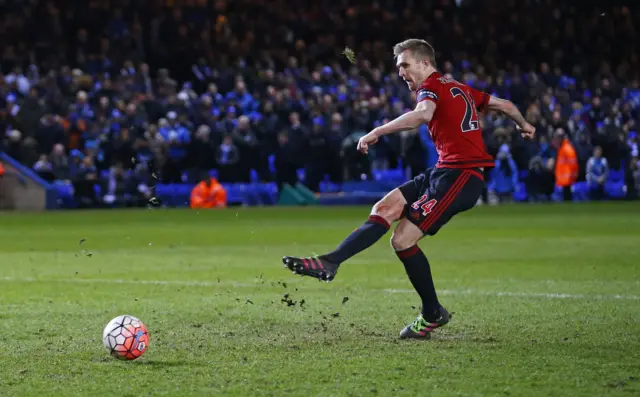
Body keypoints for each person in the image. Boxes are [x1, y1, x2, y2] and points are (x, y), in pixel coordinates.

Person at [281, 39, 535, 339]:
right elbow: (504, 105)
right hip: (443, 171)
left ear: (425, 63)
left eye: (405, 64)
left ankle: (432, 313)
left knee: (402, 240)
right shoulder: (459, 88)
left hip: (462, 176)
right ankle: (330, 262)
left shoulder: (431, 87)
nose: (401, 71)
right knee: (384, 208)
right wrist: (525, 125)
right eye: (398, 66)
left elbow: (423, 114)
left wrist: (377, 131)